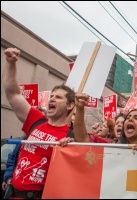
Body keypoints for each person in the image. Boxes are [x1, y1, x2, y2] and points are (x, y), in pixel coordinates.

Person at [3, 47, 76, 198]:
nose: (52, 99)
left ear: (70, 105)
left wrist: (72, 146)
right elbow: (13, 94)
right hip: (12, 195)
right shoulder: (36, 120)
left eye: (59, 97)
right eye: (52, 95)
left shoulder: (71, 137)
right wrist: (11, 63)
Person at [69, 93, 137, 152]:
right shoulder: (111, 147)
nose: (130, 119)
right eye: (128, 117)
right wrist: (80, 108)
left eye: (136, 118)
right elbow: (83, 139)